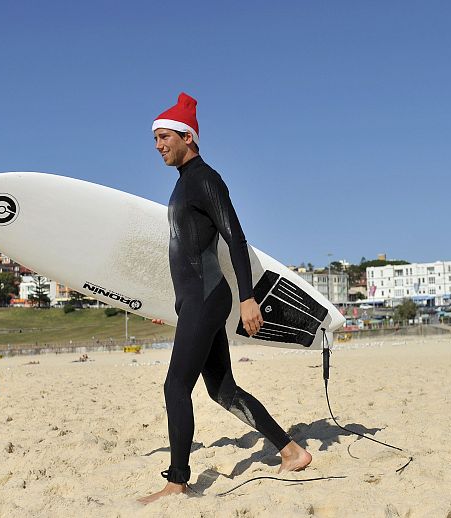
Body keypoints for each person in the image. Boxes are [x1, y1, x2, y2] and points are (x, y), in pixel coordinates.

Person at [139, 93, 311, 504]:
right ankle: (292, 451)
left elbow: (235, 237)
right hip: (194, 301)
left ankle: (178, 481)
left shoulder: (205, 179)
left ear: (187, 136)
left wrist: (248, 298)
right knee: (222, 390)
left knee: (175, 387)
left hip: (207, 298)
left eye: (164, 137)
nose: (159, 145)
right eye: (156, 139)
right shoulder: (183, 186)